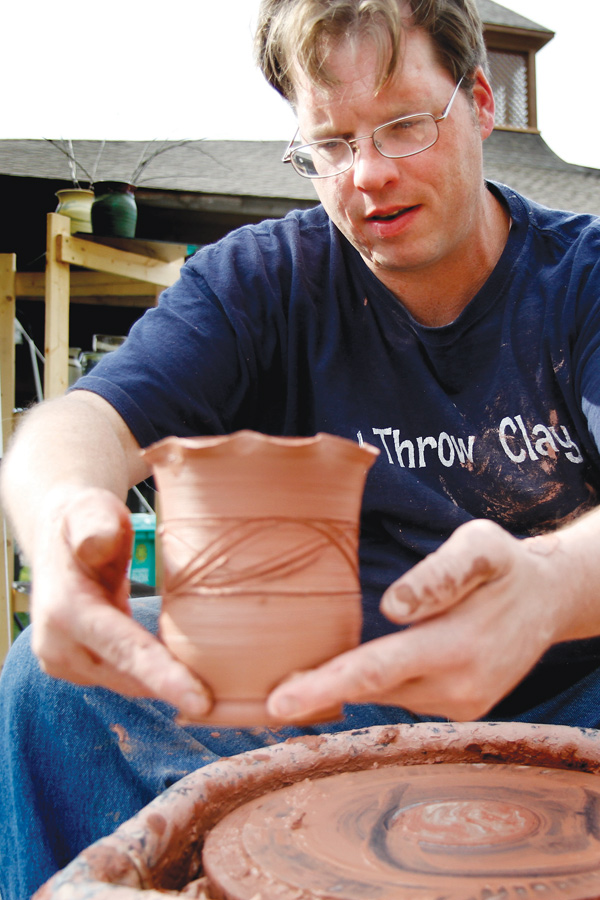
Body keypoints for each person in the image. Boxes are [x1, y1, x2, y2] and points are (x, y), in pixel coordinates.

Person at [3, 0, 600, 896]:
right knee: (50, 689)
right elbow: (80, 423)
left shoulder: (583, 280)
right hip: (333, 692)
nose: (367, 176)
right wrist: (60, 523)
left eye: (402, 126)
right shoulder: (260, 282)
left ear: (478, 102)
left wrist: (550, 590)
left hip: (579, 683)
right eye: (331, 142)